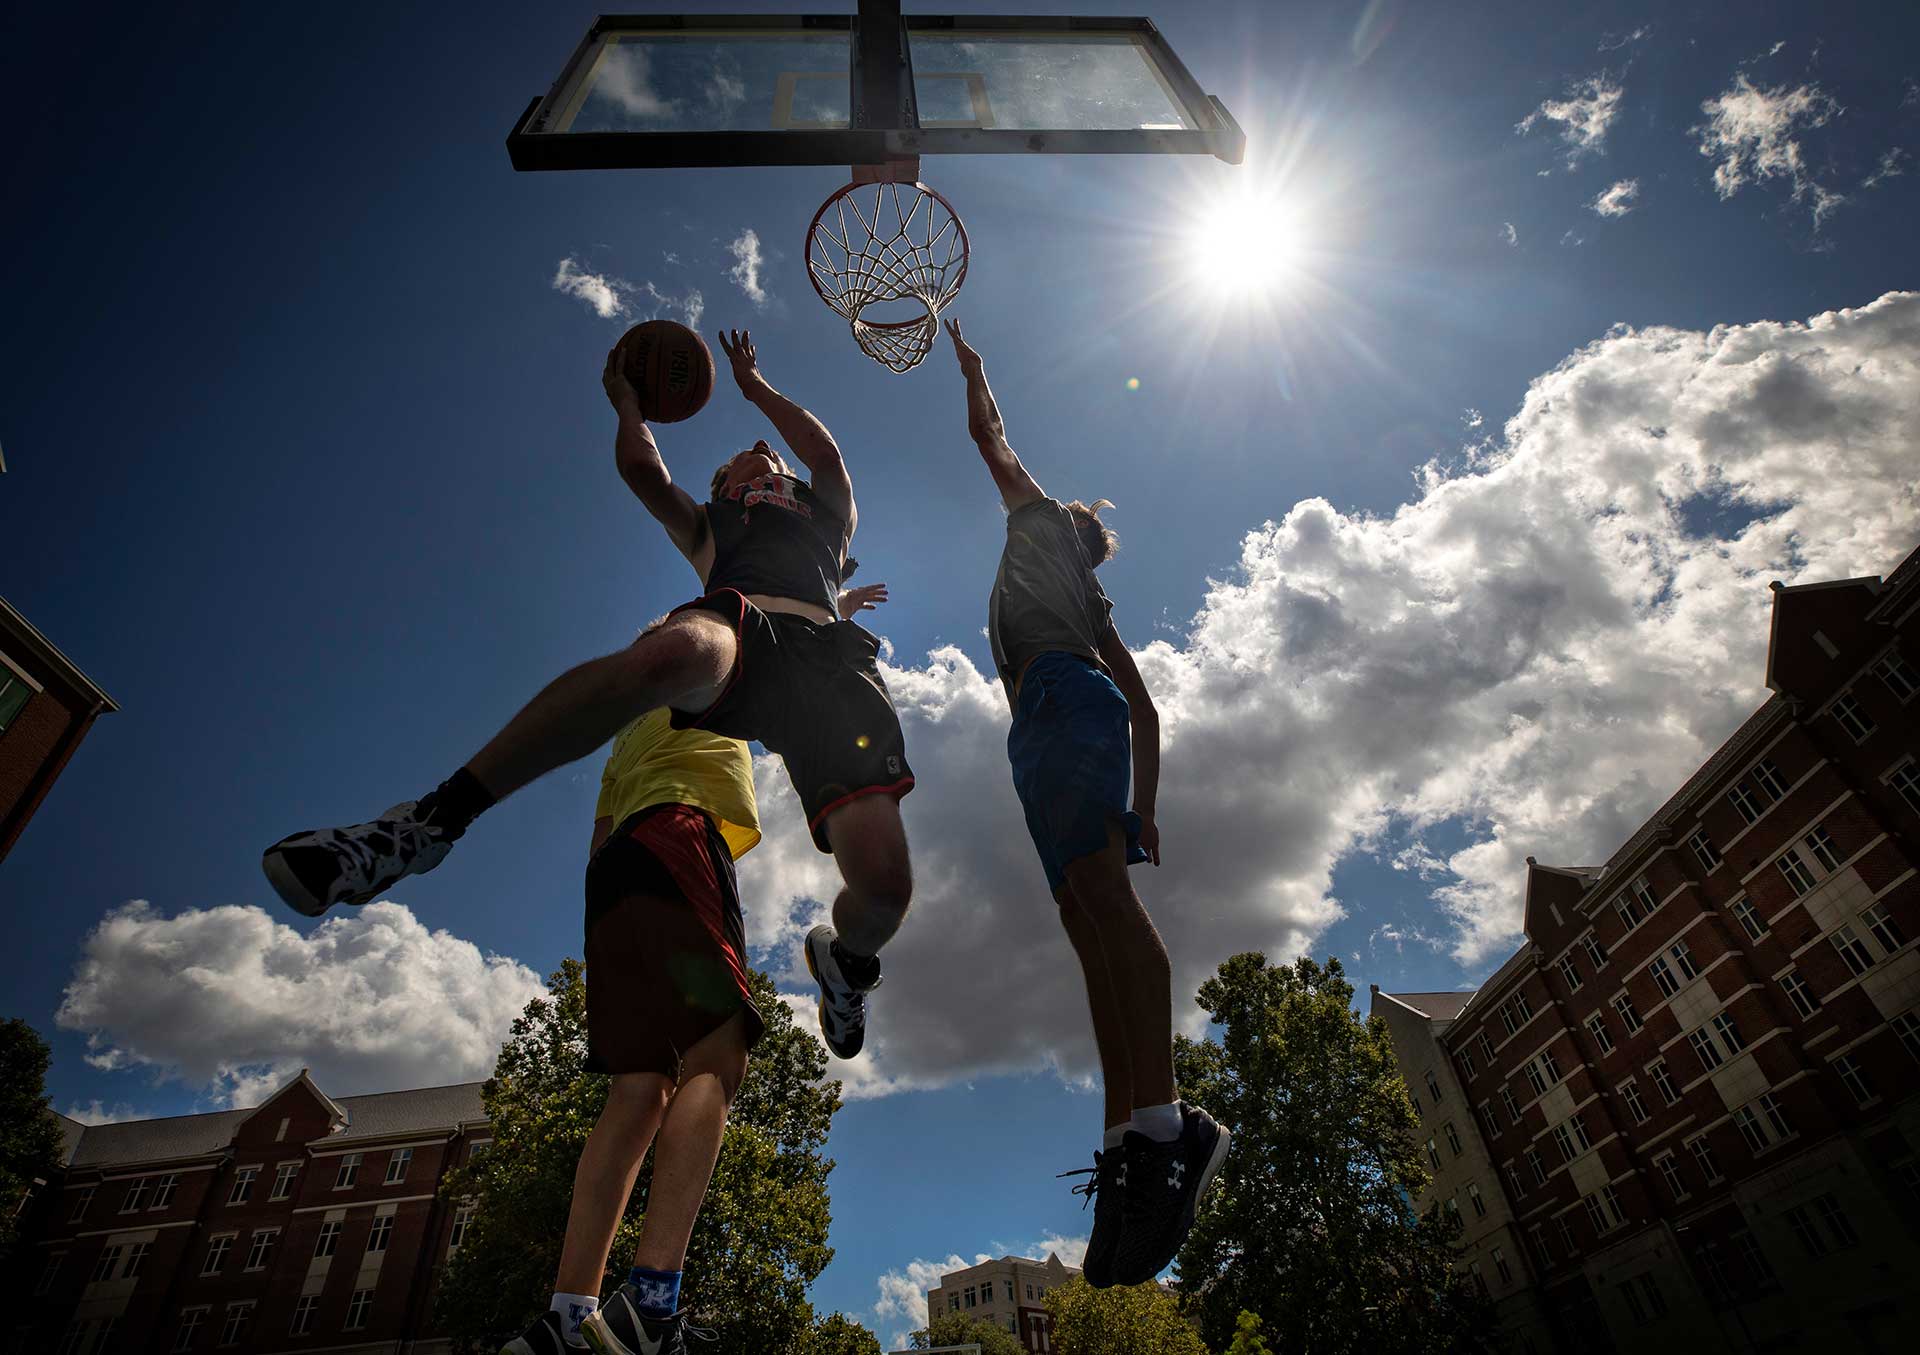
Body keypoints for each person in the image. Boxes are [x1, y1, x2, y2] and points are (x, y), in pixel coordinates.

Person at [262, 331, 913, 1060]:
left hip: (831, 664)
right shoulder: (713, 528)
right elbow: (642, 471)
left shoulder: (826, 516)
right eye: (736, 458)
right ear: (723, 484)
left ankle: (846, 965)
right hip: (743, 629)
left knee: (884, 888)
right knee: (673, 650)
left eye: (766, 451)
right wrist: (629, 404)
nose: (756, 448)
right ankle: (423, 826)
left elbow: (825, 456)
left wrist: (755, 386)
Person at [505, 580, 889, 1355]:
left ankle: (568, 1313)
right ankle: (651, 1304)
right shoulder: (708, 679)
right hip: (681, 839)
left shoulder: (629, 731)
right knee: (717, 1054)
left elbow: (601, 834)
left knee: (639, 1084)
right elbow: (783, 647)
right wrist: (833, 617)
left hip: (613, 878)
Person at [943, 318, 1228, 1288]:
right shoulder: (1089, 601)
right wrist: (1146, 807)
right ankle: (1128, 1140)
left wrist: (979, 377)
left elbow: (992, 441)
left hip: (1061, 705)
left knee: (1102, 904)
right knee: (1084, 920)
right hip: (1051, 721)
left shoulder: (1036, 531)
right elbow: (1146, 708)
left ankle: (1168, 1122)